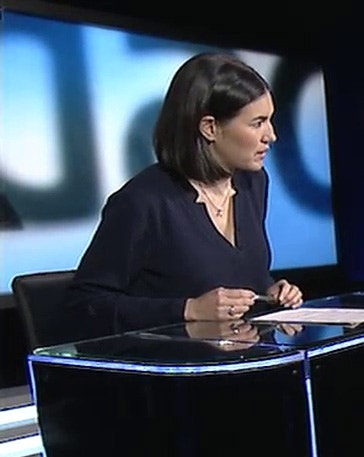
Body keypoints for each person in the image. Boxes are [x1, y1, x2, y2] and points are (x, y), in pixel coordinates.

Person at [66, 52, 303, 336]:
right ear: (210, 128)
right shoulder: (143, 201)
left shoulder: (253, 183)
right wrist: (188, 310)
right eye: (257, 123)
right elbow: (85, 305)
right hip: (169, 360)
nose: (271, 135)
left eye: (269, 120)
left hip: (245, 357)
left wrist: (269, 292)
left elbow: (236, 275)